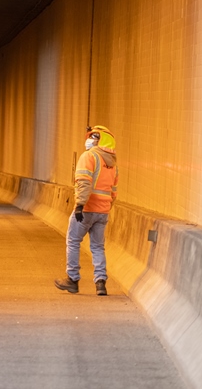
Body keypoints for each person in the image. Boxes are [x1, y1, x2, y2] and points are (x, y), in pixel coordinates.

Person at [55, 125, 119, 295]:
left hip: (87, 208)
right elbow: (114, 191)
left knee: (73, 241)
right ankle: (100, 283)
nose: (89, 140)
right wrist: (106, 206)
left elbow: (84, 182)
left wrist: (80, 205)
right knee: (98, 247)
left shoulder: (89, 157)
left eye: (93, 137)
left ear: (101, 140)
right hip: (103, 211)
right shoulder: (113, 163)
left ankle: (73, 279)